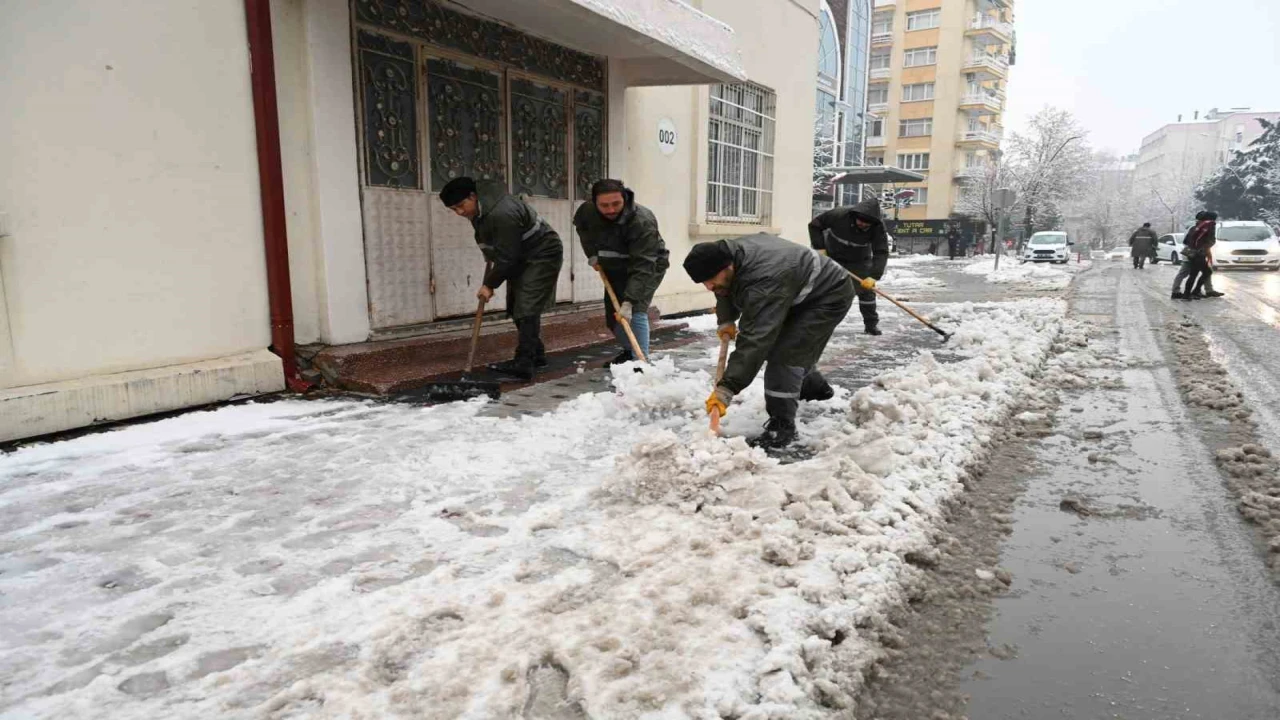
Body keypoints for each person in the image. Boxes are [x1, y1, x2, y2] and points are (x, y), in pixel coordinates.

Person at [685, 234, 854, 449]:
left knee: (785, 355)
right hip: (795, 289)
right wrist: (726, 319)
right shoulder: (727, 258)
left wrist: (727, 387)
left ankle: (781, 427)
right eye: (704, 283)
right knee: (787, 346)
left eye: (710, 280)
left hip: (828, 294)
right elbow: (724, 289)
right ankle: (813, 387)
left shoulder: (763, 279)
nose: (708, 287)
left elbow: (756, 337)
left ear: (728, 266)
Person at [440, 177, 564, 380]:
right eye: (454, 209)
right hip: (520, 254)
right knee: (518, 305)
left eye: (461, 206)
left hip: (542, 254)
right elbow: (496, 243)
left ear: (473, 196)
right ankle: (536, 354)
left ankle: (524, 363)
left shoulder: (501, 212)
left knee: (526, 306)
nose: (460, 213)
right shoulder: (481, 208)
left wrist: (489, 284)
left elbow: (508, 256)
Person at [573, 179, 670, 364]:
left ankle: (640, 362)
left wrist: (630, 301)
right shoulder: (587, 211)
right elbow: (582, 229)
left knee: (635, 311)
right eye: (604, 205)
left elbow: (643, 265)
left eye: (616, 203)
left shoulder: (642, 221)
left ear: (624, 198)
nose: (610, 210)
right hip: (614, 265)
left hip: (648, 266)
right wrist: (591, 253)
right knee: (614, 315)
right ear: (594, 203)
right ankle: (628, 352)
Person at [808, 198, 890, 336]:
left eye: (867, 224)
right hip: (832, 256)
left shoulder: (878, 227)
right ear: (855, 216)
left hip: (859, 261)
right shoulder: (839, 215)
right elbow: (815, 225)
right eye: (861, 221)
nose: (863, 224)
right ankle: (816, 325)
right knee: (825, 289)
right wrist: (820, 249)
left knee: (866, 293)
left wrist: (873, 276)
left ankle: (871, 325)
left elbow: (881, 252)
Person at [1172, 211, 1217, 300]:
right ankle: (1192, 292)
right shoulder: (1209, 225)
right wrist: (1203, 248)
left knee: (1195, 273)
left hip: (1191, 253)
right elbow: (1211, 240)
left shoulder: (1195, 227)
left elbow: (1185, 241)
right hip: (1199, 254)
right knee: (1204, 272)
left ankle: (1189, 293)